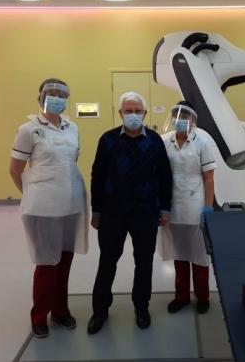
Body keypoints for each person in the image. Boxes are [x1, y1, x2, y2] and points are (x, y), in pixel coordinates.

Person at [9, 78, 89, 338]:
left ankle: (60, 310)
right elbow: (15, 169)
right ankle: (39, 316)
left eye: (62, 94)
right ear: (40, 97)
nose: (56, 97)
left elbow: (71, 161)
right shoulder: (28, 129)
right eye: (51, 93)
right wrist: (32, 193)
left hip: (71, 202)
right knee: (46, 262)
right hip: (43, 207)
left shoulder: (72, 127)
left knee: (64, 259)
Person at [88, 91, 172, 334]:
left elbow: (165, 177)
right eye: (128, 111)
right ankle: (100, 310)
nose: (133, 115)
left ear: (145, 114)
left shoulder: (155, 141)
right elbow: (97, 176)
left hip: (146, 214)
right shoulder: (107, 140)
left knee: (143, 263)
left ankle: (141, 307)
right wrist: (96, 211)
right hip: (113, 214)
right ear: (120, 113)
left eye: (137, 111)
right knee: (107, 262)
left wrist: (164, 208)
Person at [158, 100, 217, 314]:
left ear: (192, 120)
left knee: (199, 255)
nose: (180, 120)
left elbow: (209, 178)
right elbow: (160, 176)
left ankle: (203, 296)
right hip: (173, 206)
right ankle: (181, 296)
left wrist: (208, 208)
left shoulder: (201, 143)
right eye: (176, 116)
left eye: (185, 117)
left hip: (195, 206)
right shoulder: (165, 143)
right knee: (180, 253)